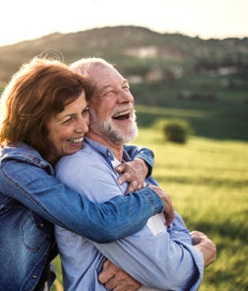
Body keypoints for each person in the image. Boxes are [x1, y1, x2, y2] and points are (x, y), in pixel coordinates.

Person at [0, 57, 175, 291]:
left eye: (83, 112)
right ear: (38, 126)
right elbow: (101, 224)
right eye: (68, 119)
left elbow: (130, 150)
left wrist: (142, 163)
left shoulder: (59, 149)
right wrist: (153, 198)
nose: (83, 126)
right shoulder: (14, 168)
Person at [55, 58, 217, 290]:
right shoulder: (82, 169)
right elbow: (171, 273)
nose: (126, 98)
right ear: (84, 110)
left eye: (126, 87)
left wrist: (149, 270)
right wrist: (205, 251)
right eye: (109, 92)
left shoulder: (133, 165)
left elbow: (172, 228)